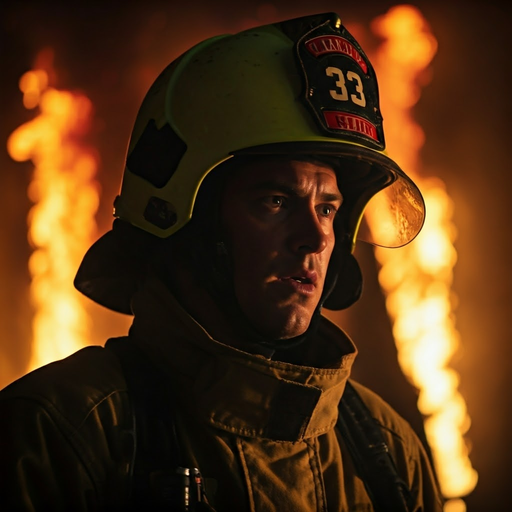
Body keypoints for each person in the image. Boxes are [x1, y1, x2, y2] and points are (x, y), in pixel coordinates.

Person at [0, 12, 444, 512]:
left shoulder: (388, 450)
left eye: (327, 208)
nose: (316, 239)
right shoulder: (57, 435)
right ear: (192, 223)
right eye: (275, 202)